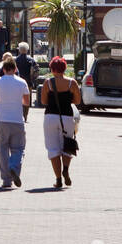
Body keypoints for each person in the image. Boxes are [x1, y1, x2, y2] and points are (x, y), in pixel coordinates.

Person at [40, 56, 80, 188]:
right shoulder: (72, 83)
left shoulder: (48, 83)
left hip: (51, 116)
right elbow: (78, 101)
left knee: (52, 148)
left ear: (52, 68)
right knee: (67, 144)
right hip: (67, 116)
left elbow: (44, 101)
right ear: (64, 68)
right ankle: (66, 169)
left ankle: (58, 179)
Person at [0, 55, 31, 188]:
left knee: (2, 149)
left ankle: (6, 180)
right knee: (18, 148)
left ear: (3, 69)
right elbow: (26, 102)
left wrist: (2, 99)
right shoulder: (22, 82)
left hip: (2, 120)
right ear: (15, 69)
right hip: (17, 120)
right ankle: (14, 166)